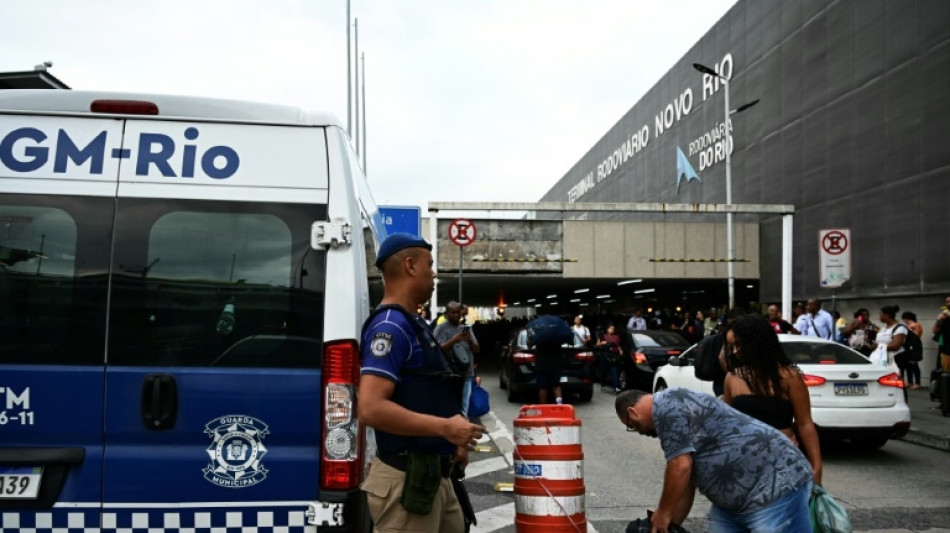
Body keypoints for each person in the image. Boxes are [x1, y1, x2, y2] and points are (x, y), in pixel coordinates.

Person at [358, 233, 485, 532]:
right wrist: (445, 428)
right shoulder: (390, 327)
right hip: (406, 482)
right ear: (410, 266)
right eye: (430, 264)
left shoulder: (414, 324)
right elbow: (370, 408)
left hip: (435, 475)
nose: (434, 272)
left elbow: (426, 390)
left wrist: (453, 435)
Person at [616, 388, 814, 533]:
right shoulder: (670, 411)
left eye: (632, 425)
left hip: (774, 486)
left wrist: (663, 513)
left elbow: (680, 467)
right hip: (734, 505)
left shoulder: (666, 409)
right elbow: (686, 482)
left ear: (633, 412)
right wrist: (666, 526)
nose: (639, 431)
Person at [721, 314, 822, 485]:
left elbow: (805, 423)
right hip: (742, 463)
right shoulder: (732, 378)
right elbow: (727, 425)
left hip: (783, 462)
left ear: (758, 343)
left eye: (739, 345)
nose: (735, 351)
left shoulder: (789, 376)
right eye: (732, 347)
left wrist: (817, 466)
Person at [433, 301, 480, 418]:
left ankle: (464, 426)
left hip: (467, 373)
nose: (456, 315)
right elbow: (436, 350)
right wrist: (453, 340)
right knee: (451, 407)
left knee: (464, 406)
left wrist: (469, 340)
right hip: (450, 374)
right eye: (453, 313)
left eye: (458, 313)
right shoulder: (441, 328)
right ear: (446, 313)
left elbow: (477, 349)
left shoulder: (466, 329)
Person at [871, 305, 907, 374]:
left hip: (894, 360)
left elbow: (896, 345)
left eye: (880, 314)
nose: (879, 317)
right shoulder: (883, 329)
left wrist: (878, 347)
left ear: (886, 315)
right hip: (882, 359)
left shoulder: (900, 328)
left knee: (894, 380)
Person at [595, 324, 622, 394]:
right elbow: (597, 344)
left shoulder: (616, 337)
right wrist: (599, 340)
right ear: (607, 329)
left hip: (613, 356)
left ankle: (616, 387)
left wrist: (620, 350)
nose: (612, 330)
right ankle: (603, 384)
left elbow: (616, 344)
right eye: (610, 329)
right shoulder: (603, 336)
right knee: (604, 371)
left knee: (615, 372)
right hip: (604, 355)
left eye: (613, 329)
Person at [901, 311, 924, 389]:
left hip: (914, 345)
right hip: (907, 345)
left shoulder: (916, 325)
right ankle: (910, 382)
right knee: (908, 365)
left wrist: (910, 330)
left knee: (914, 364)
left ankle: (917, 382)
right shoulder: (906, 326)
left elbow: (917, 335)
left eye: (904, 319)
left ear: (907, 318)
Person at [933, 296, 950, 372]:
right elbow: (935, 331)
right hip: (944, 342)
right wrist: (939, 320)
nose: (948, 304)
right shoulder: (943, 316)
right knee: (943, 365)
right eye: (947, 302)